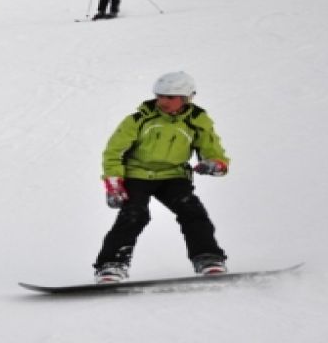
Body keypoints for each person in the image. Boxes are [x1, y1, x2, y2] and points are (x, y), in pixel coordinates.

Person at [93, 71, 229, 283]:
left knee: (191, 211)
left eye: (169, 97)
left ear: (185, 99)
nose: (162, 101)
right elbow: (114, 152)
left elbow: (213, 151)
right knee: (134, 214)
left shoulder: (197, 121)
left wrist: (214, 164)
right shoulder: (139, 120)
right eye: (159, 96)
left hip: (173, 176)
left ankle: (208, 258)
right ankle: (111, 264)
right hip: (137, 174)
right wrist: (114, 185)